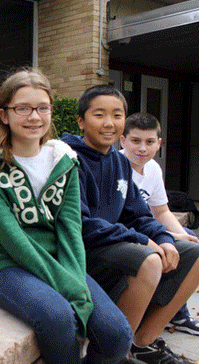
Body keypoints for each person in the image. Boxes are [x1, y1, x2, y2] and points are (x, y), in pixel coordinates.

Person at [0, 69, 132, 364]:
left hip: (59, 261)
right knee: (58, 316)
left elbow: (70, 229)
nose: (34, 117)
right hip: (6, 265)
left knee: (117, 335)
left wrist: (75, 278)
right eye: (22, 108)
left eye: (42, 108)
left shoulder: (65, 162)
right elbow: (9, 234)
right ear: (4, 114)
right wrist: (66, 286)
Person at [61, 85, 199, 364]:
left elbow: (140, 214)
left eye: (117, 114)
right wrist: (141, 240)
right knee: (148, 260)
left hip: (114, 246)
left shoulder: (120, 163)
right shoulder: (68, 159)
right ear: (81, 120)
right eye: (99, 115)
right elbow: (81, 223)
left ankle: (142, 343)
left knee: (193, 253)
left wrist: (165, 238)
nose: (109, 123)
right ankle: (116, 352)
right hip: (83, 250)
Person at [120, 112, 199, 336]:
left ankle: (177, 314)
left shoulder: (153, 168)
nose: (142, 148)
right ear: (123, 140)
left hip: (148, 226)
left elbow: (161, 210)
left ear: (159, 144)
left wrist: (180, 233)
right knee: (176, 244)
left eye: (149, 142)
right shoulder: (117, 167)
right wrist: (169, 237)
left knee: (188, 238)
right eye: (135, 141)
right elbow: (118, 220)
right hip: (128, 232)